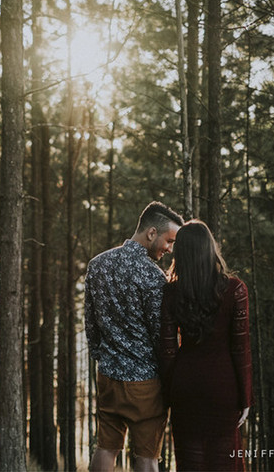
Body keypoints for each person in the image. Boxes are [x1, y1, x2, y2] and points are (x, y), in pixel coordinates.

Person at [85, 201, 184, 472]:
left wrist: (104, 359)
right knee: (148, 458)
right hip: (146, 385)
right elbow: (160, 337)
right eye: (169, 240)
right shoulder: (154, 276)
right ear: (151, 233)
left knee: (105, 449)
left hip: (107, 377)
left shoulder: (98, 264)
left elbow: (90, 325)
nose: (169, 249)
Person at [157, 220, 253, 472]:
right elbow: (240, 348)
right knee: (225, 462)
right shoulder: (235, 290)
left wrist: (169, 396)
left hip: (185, 387)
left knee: (190, 462)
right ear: (210, 249)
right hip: (224, 388)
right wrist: (245, 397)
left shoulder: (171, 293)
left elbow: (167, 351)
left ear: (181, 254)